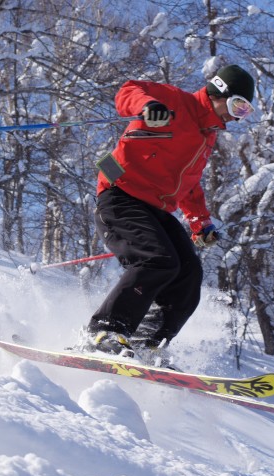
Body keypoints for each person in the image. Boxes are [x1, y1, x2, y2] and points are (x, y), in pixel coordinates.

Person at [83, 64, 256, 357]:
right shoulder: (177, 102)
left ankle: (145, 344)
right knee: (157, 260)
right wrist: (149, 105)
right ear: (218, 93)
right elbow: (128, 89)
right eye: (236, 105)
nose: (235, 116)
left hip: (156, 209)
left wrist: (200, 223)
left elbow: (189, 184)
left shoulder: (206, 137)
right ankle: (106, 331)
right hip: (120, 195)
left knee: (188, 275)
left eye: (244, 112)